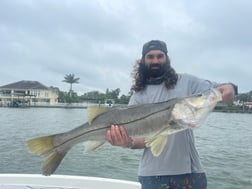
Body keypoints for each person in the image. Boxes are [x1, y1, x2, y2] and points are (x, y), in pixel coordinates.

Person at [106, 40, 237, 189]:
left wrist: (230, 88)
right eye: (150, 56)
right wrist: (128, 143)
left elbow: (218, 91)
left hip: (190, 173)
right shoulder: (137, 96)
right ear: (143, 60)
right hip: (151, 175)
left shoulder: (187, 82)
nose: (155, 60)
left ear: (167, 58)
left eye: (160, 56)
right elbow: (142, 140)